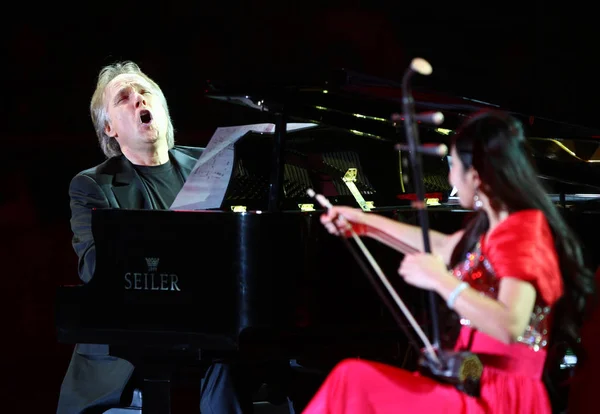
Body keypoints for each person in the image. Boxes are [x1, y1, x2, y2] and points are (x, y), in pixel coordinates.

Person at [302, 109, 596, 413]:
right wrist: (365, 224)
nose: (450, 176)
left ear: (476, 176)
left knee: (352, 380)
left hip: (499, 397)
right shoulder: (495, 227)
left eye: (453, 165)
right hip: (475, 384)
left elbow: (510, 324)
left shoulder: (521, 230)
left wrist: (442, 281)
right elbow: (443, 247)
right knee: (351, 380)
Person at [56, 61, 252, 414]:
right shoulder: (92, 185)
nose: (139, 101)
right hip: (130, 360)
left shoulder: (215, 164)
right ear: (109, 127)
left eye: (146, 93)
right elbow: (94, 269)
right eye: (124, 98)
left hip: (214, 345)